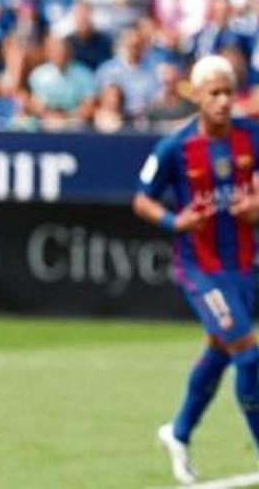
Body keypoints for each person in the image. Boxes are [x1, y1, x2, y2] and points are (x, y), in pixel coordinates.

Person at [133, 55, 259, 485]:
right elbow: (142, 199)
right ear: (198, 96)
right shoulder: (176, 145)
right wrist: (176, 222)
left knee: (221, 349)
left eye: (229, 92)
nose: (224, 101)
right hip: (199, 268)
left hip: (243, 265)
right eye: (215, 93)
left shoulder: (252, 137)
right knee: (248, 349)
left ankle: (179, 432)